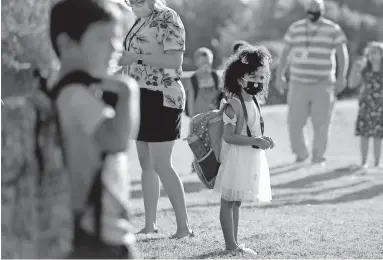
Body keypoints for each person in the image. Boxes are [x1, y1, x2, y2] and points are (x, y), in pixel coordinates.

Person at [49, 0, 140, 258]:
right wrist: (128, 91)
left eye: (117, 38)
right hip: (98, 237)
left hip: (90, 231)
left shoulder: (66, 91)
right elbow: (117, 141)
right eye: (103, 38)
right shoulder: (76, 96)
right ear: (67, 44)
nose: (115, 48)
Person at [119, 0, 193, 238]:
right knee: (146, 164)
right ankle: (150, 224)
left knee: (162, 164)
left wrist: (137, 59)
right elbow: (129, 60)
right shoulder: (138, 20)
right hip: (139, 95)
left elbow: (174, 62)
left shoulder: (168, 17)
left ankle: (184, 227)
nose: (131, 5)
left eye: (135, 1)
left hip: (163, 94)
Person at [213, 46, 274, 256]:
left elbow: (253, 127)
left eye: (261, 77)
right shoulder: (233, 104)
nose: (257, 81)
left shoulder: (255, 101)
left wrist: (262, 139)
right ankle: (230, 245)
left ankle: (235, 243)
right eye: (252, 77)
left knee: (236, 201)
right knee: (228, 200)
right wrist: (255, 140)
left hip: (248, 156)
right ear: (239, 79)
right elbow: (229, 136)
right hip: (235, 158)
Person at [276, 0, 349, 165]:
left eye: (317, 9)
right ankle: (301, 154)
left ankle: (318, 157)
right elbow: (285, 52)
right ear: (306, 10)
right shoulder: (295, 28)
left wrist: (341, 76)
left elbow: (342, 53)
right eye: (311, 9)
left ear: (322, 10)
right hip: (298, 82)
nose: (313, 12)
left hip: (323, 83)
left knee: (322, 122)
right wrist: (280, 75)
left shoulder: (333, 29)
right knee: (294, 121)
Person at [348, 41, 383, 169]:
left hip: (380, 107)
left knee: (378, 136)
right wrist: (354, 70)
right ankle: (364, 162)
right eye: (369, 53)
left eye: (375, 52)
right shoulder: (364, 70)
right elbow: (352, 84)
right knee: (365, 135)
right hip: (366, 106)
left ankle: (377, 163)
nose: (371, 56)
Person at [186, 47, 221, 116]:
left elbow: (220, 96)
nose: (206, 66)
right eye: (203, 63)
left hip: (214, 118)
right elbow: (190, 102)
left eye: (208, 63)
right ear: (197, 63)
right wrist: (193, 119)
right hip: (199, 119)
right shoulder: (193, 79)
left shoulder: (215, 77)